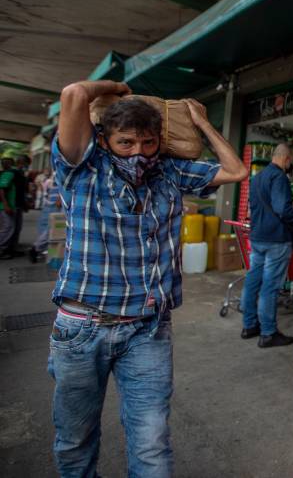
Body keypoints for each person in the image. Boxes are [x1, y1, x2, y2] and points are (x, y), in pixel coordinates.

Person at [49, 80, 247, 478]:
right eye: (126, 143)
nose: (138, 153)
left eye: (148, 143)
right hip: (83, 328)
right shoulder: (80, 170)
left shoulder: (170, 173)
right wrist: (117, 87)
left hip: (148, 330)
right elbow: (73, 94)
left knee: (152, 444)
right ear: (104, 141)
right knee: (75, 442)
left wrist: (201, 123)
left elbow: (236, 169)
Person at [241, 143, 293, 348]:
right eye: (291, 161)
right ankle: (268, 332)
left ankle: (249, 326)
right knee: (270, 286)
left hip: (257, 237)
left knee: (253, 280)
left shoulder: (257, 178)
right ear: (286, 158)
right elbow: (282, 209)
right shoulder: (279, 177)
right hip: (276, 238)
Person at [29, 171, 60, 263]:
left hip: (52, 205)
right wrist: (59, 199)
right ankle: (37, 249)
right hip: (55, 206)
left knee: (54, 233)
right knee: (52, 232)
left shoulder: (55, 172)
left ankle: (51, 255)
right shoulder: (59, 172)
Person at [7, 154, 31, 256]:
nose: (27, 166)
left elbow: (22, 190)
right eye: (26, 164)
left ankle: (12, 247)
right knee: (10, 227)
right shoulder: (13, 173)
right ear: (22, 162)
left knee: (16, 227)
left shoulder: (20, 173)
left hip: (17, 204)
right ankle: (7, 248)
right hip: (12, 204)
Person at [0, 158, 15, 257]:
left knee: (8, 227)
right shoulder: (8, 174)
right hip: (4, 207)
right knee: (8, 227)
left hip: (7, 206)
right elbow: (1, 189)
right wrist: (6, 205)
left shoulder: (7, 173)